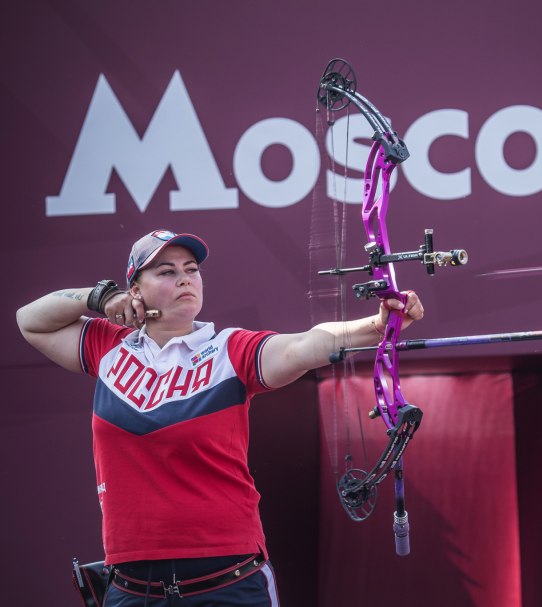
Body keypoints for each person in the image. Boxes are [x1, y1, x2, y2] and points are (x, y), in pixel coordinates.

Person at [16, 229, 424, 606]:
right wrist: (100, 297)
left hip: (228, 582)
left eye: (191, 270)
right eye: (167, 271)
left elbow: (305, 345)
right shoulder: (108, 346)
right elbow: (30, 320)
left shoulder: (229, 349)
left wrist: (378, 325)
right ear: (134, 291)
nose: (185, 279)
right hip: (132, 588)